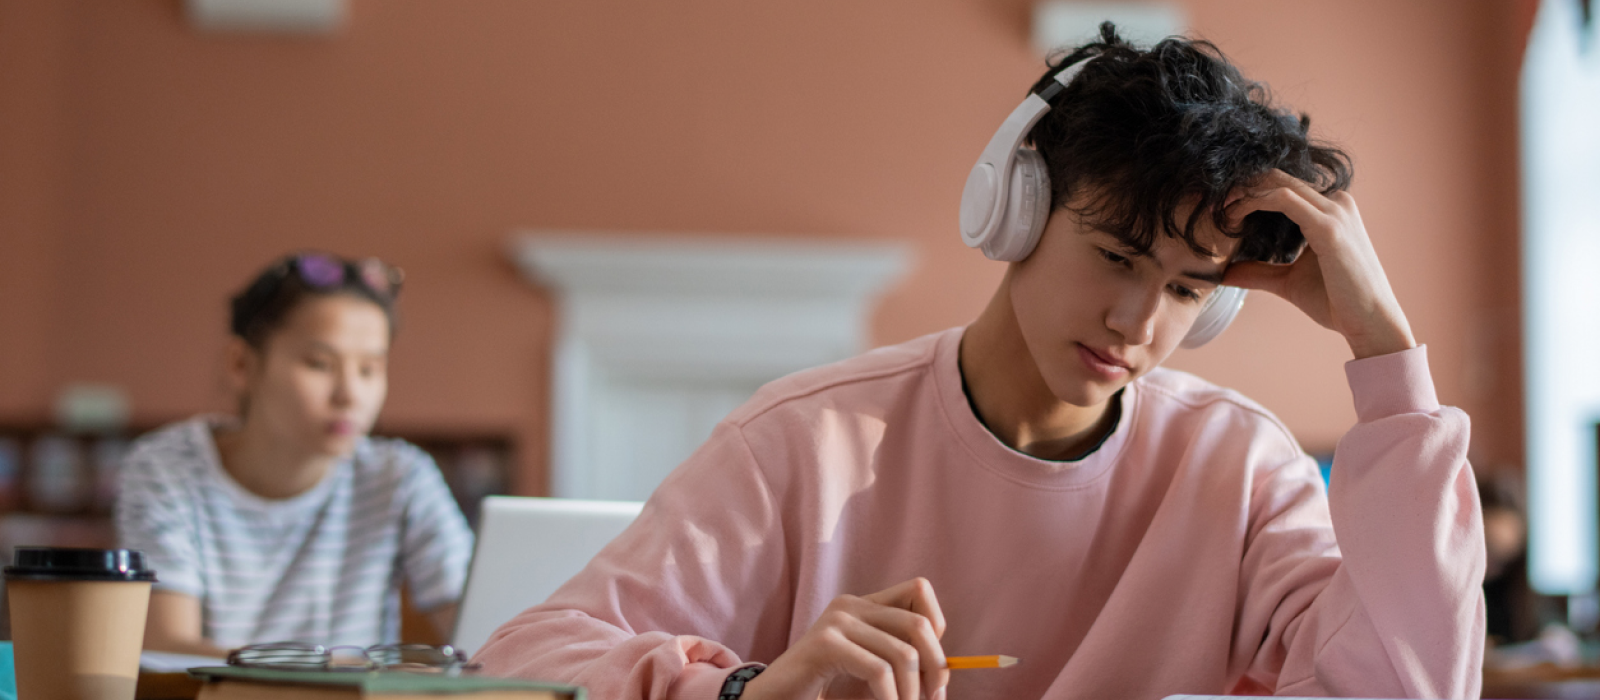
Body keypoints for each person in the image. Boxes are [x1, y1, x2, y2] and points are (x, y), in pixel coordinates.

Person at [473, 25, 1484, 700]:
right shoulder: (804, 437)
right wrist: (744, 689)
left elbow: (1411, 682)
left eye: (1184, 288)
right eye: (1115, 255)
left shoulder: (1242, 471)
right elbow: (519, 661)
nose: (1136, 320)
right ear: (1019, 210)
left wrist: (1383, 350)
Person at [114, 252, 475, 657]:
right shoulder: (166, 469)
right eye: (320, 364)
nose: (350, 395)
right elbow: (169, 649)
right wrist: (339, 671)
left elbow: (484, 631)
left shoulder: (401, 477)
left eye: (369, 370)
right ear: (241, 364)